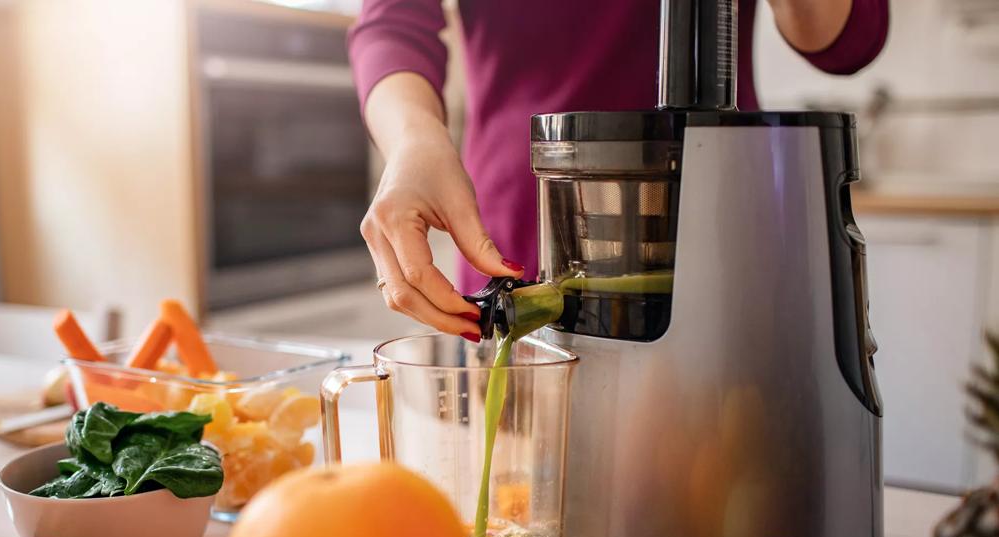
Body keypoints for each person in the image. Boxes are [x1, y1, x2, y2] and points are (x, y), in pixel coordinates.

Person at [349, 0, 888, 341]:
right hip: (524, 236)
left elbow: (845, 39)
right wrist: (412, 142)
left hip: (717, 230)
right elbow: (392, 21)